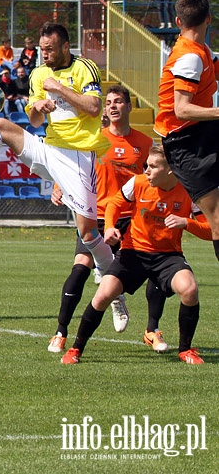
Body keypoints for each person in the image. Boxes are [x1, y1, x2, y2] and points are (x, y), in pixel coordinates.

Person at [0, 22, 115, 280]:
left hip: (78, 155)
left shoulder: (85, 67)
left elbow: (95, 108)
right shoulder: (38, 74)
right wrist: (38, 106)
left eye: (50, 49)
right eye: (42, 49)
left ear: (65, 46)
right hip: (49, 149)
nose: (45, 54)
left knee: (87, 233)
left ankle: (110, 279)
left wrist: (60, 88)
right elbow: (34, 122)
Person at [61, 145, 211, 365]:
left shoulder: (189, 190)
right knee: (103, 295)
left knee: (190, 290)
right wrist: (110, 226)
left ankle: (185, 350)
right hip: (133, 253)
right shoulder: (138, 183)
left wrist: (186, 223)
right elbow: (115, 203)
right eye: (146, 166)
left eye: (152, 166)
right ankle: (76, 349)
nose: (146, 171)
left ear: (170, 169)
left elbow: (210, 230)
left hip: (168, 256)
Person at [47, 85, 153, 353]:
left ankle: (152, 328)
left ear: (129, 107)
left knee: (157, 266)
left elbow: (155, 178)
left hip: (130, 220)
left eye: (119, 102)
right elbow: (72, 168)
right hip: (95, 218)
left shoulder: (145, 143)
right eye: (109, 102)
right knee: (80, 268)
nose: (113, 106)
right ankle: (60, 331)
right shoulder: (93, 139)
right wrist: (59, 186)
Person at [154, 0, 219, 265]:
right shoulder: (189, 57)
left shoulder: (199, 50)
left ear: (178, 21)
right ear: (209, 19)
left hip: (201, 133)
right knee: (216, 218)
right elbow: (181, 110)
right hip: (186, 144)